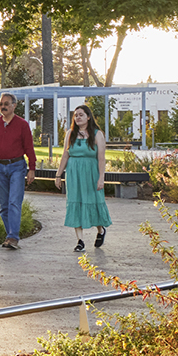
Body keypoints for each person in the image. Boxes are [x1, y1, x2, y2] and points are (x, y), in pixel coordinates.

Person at [0, 92, 37, 249]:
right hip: (0, 167)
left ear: (14, 106)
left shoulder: (22, 125)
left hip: (17, 167)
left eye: (6, 104)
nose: (3, 106)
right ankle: (10, 235)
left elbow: (29, 148)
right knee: (4, 206)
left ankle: (13, 237)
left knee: (14, 202)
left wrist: (32, 168)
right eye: (1, 104)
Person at [55, 104, 111, 252]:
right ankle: (80, 241)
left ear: (88, 117)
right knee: (76, 203)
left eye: (81, 114)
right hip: (74, 174)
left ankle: (100, 230)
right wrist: (58, 175)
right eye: (76, 115)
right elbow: (65, 155)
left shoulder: (97, 134)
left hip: (91, 173)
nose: (78, 117)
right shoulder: (70, 133)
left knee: (92, 202)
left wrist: (101, 178)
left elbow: (101, 159)